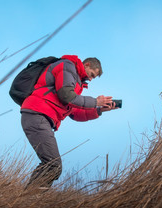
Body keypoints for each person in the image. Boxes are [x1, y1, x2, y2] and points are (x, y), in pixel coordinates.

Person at [21, 55, 117, 189]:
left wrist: (99, 110)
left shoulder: (76, 83)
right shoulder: (68, 66)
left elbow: (75, 112)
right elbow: (66, 95)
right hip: (37, 113)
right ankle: (30, 197)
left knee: (51, 164)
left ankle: (29, 196)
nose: (90, 79)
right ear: (87, 64)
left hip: (41, 117)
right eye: (92, 75)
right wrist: (95, 101)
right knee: (53, 164)